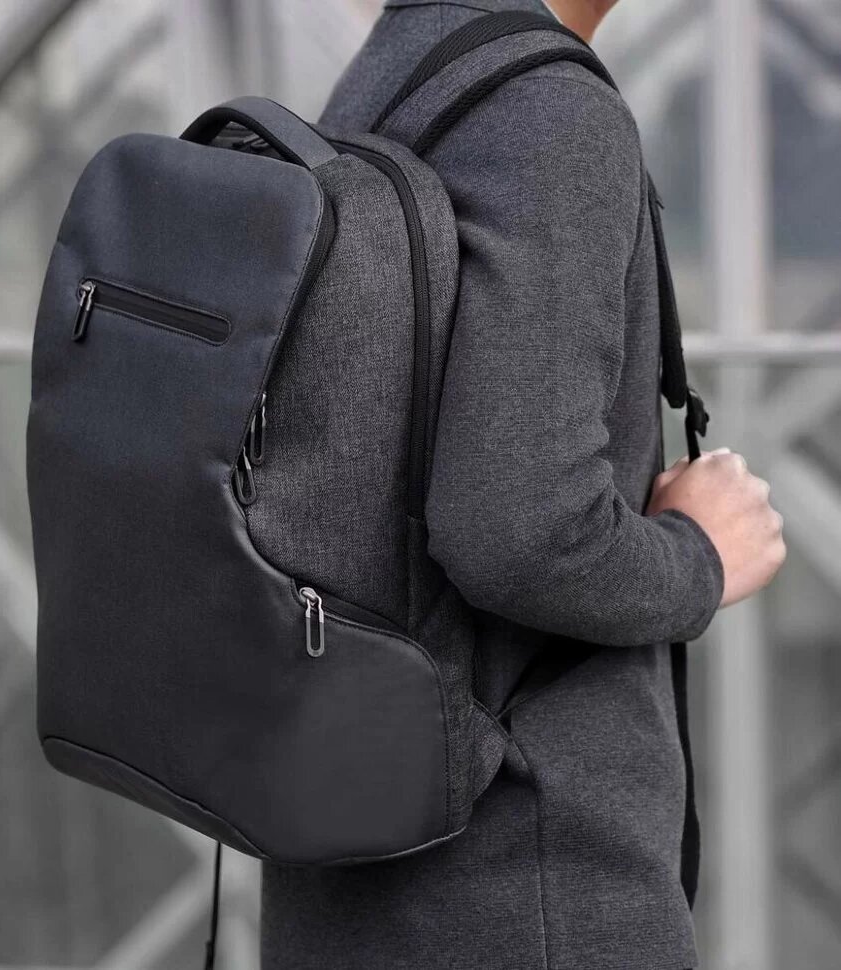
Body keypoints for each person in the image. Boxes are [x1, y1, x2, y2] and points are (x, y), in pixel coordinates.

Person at [260, 2, 786, 968]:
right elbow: (521, 532)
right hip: (528, 878)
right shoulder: (546, 109)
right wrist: (701, 554)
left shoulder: (401, 67)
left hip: (355, 860)